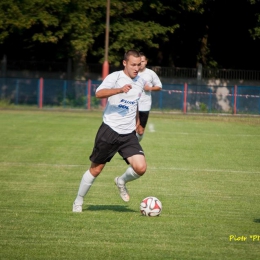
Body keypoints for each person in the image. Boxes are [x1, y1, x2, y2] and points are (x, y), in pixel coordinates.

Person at [73, 50, 148, 213]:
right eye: (133, 65)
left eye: (139, 65)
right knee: (96, 169)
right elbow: (98, 93)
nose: (136, 68)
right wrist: (119, 90)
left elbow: (134, 103)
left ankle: (121, 181)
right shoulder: (115, 77)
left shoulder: (141, 81)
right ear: (125, 63)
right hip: (109, 130)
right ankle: (78, 201)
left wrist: (138, 123)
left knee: (141, 167)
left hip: (128, 135)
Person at [136, 52, 162, 142]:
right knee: (131, 128)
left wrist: (149, 88)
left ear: (146, 62)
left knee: (140, 131)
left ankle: (134, 144)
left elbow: (159, 86)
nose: (140, 63)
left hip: (145, 105)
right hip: (133, 104)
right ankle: (130, 149)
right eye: (139, 61)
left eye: (142, 61)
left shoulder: (151, 73)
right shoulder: (132, 73)